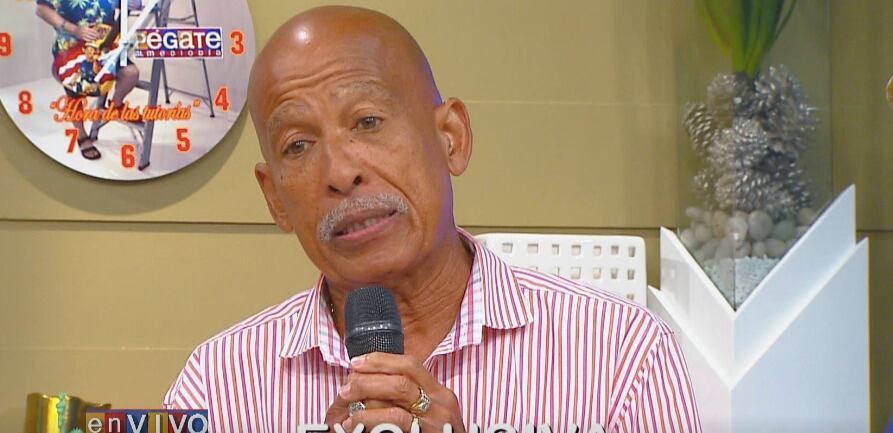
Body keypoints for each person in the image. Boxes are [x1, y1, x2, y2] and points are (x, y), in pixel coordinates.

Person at [164, 6, 702, 433]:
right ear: (275, 198)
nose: (341, 172)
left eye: (367, 121)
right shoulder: (215, 386)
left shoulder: (622, 357)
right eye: (298, 145)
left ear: (451, 138)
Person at [36, 0, 141, 160]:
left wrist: (132, 5)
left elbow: (125, 5)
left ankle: (116, 105)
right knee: (75, 95)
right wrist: (74, 29)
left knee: (130, 73)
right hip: (71, 46)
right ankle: (81, 135)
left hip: (105, 47)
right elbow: (41, 9)